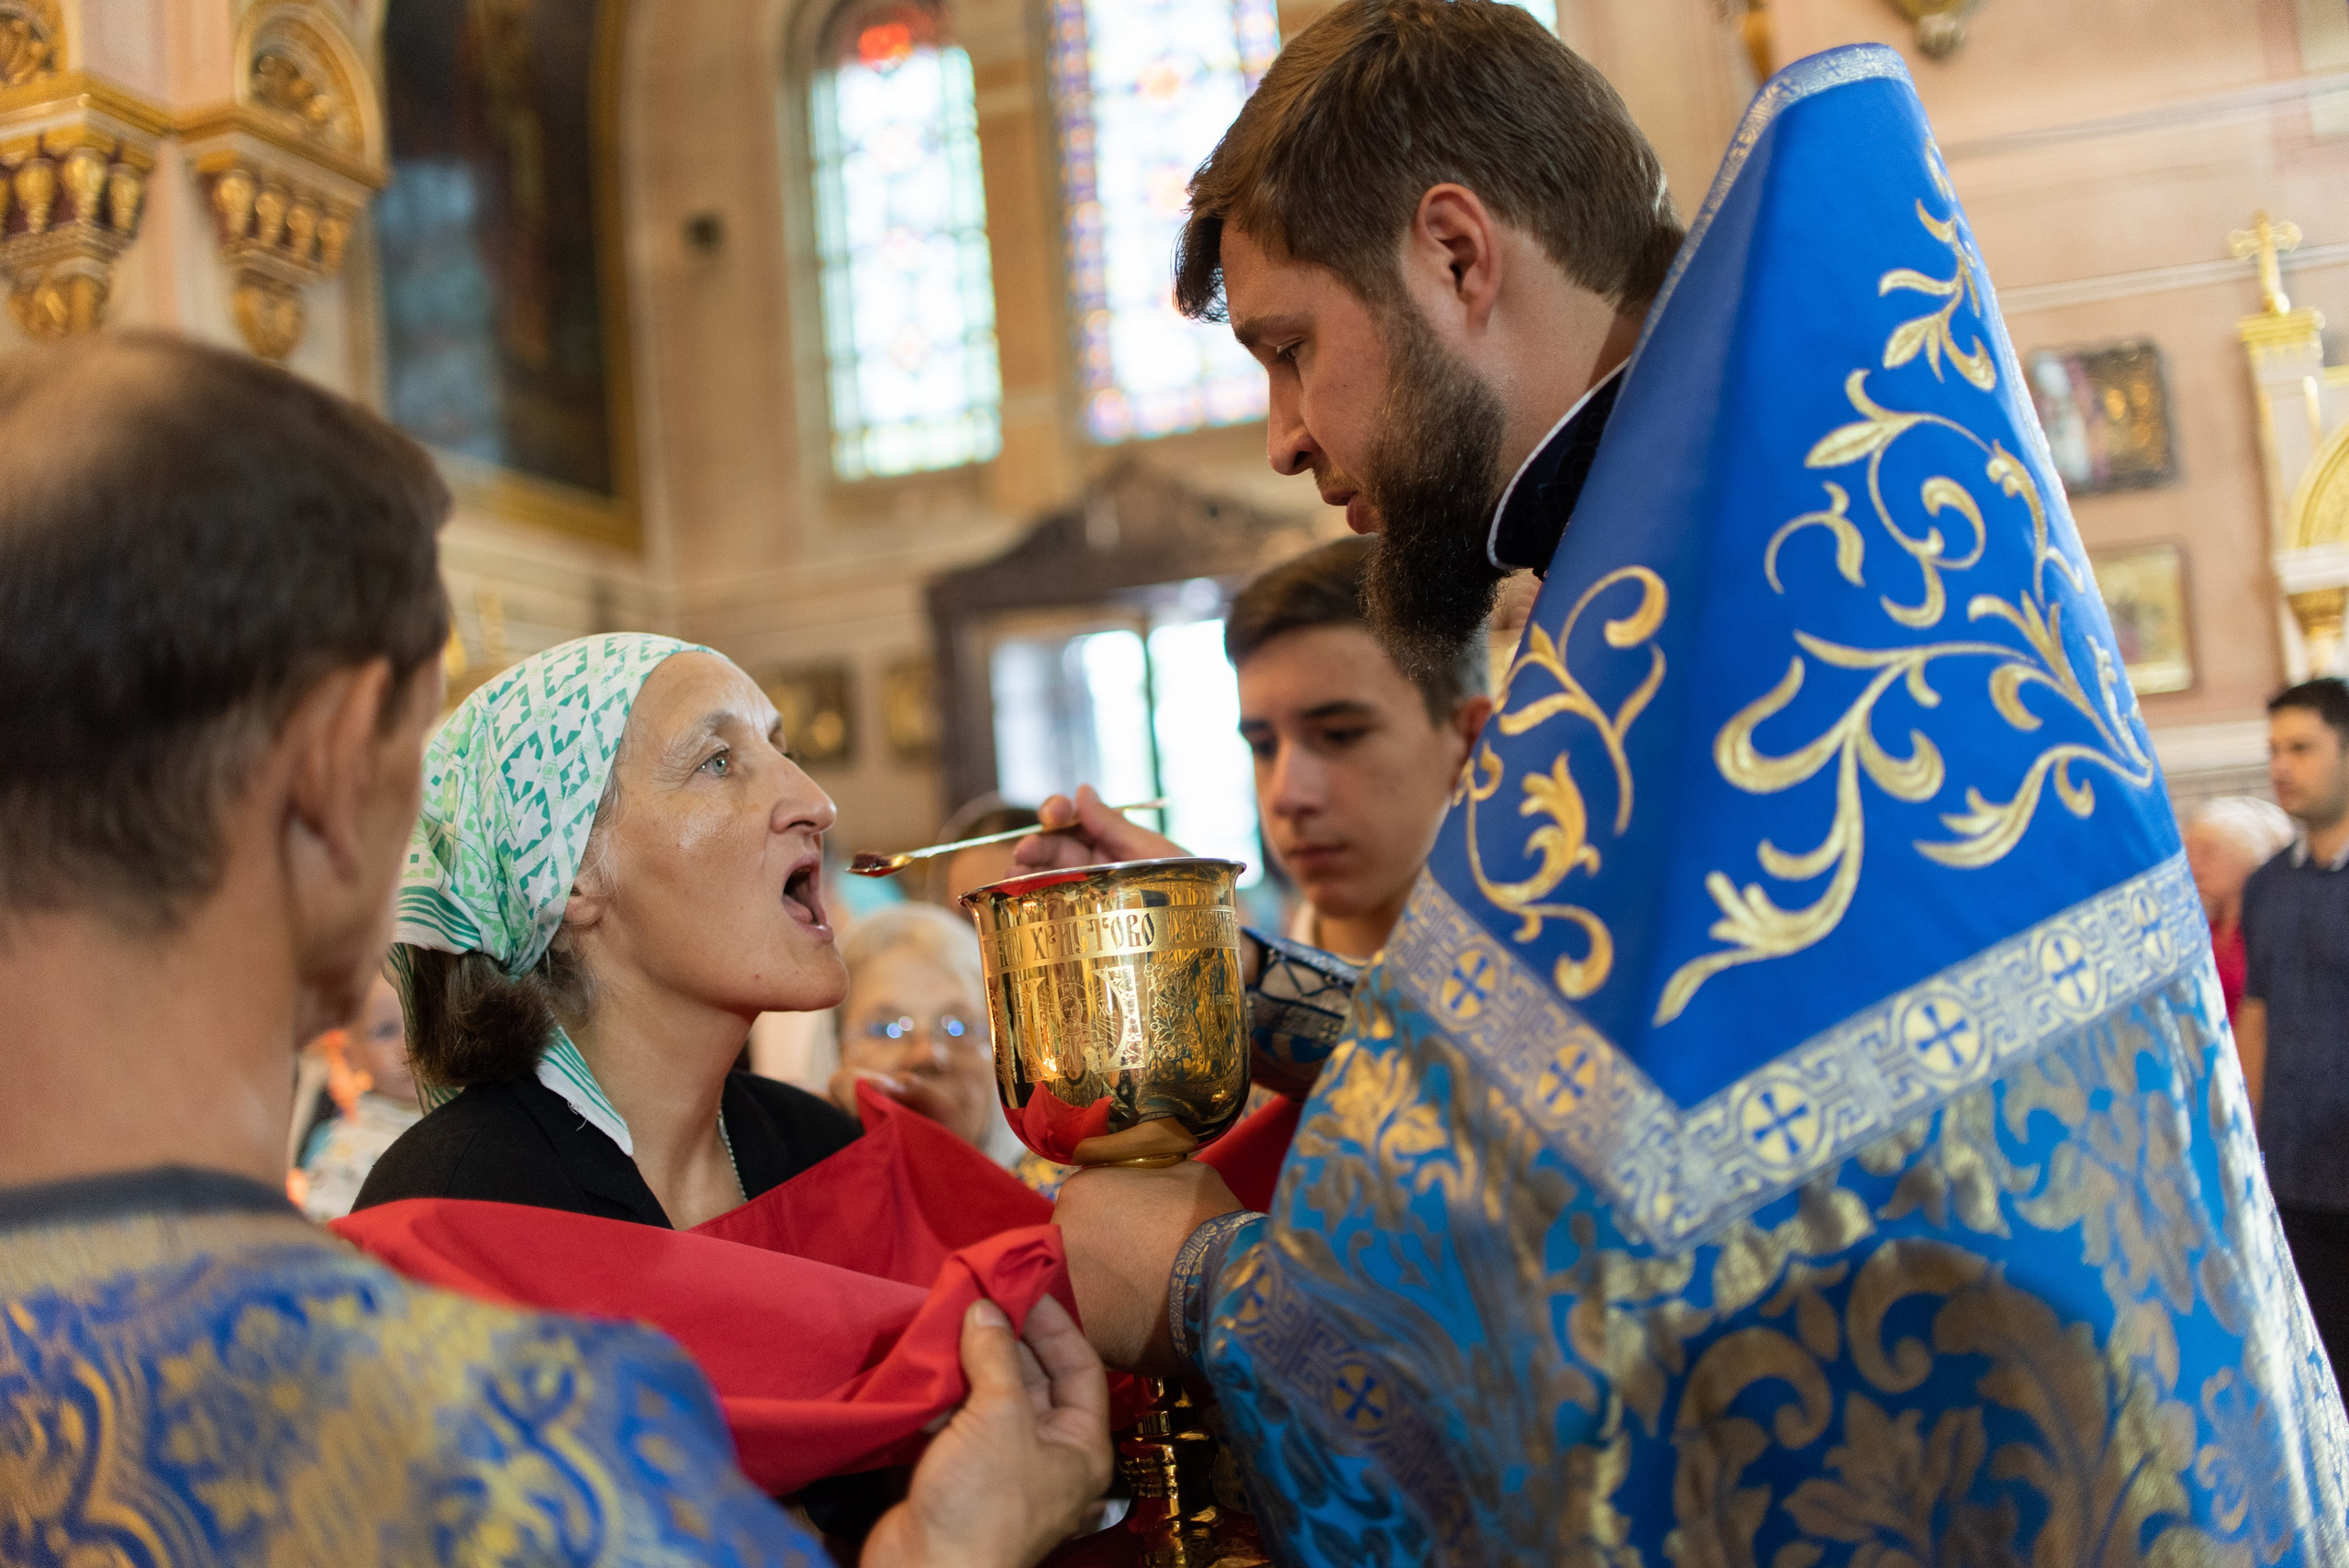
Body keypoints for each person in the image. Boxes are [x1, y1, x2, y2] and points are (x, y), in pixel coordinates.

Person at [1026, 6, 2349, 1562]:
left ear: (1457, 254)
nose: (1285, 437)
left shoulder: (1749, 592)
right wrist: (1253, 989)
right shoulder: (1763, 525)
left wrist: (1209, 1296)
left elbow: (1694, 1310)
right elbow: (1634, 1072)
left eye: (1291, 348)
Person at [0, 331, 1107, 1567]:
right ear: (331, 763)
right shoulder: (518, 1435)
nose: (811, 798)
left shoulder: (811, 1154)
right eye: (403, 741)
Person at [354, 633, 867, 1232]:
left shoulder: (828, 1154)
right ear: (568, 878)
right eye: (717, 761)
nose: (818, 802)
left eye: (785, 751)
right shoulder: (454, 1213)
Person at [1228, 537, 1492, 962]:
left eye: (1339, 734)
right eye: (1263, 747)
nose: (1286, 796)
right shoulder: (1240, 999)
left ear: (1471, 741)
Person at [2241, 676, 2349, 1376]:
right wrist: (2245, 1143)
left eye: (2302, 748)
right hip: (2294, 1182)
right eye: (2276, 748)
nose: (2282, 766)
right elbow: (2257, 1014)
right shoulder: (2267, 883)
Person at [828, 902, 1022, 1164]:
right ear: (835, 1049)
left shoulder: (1061, 1198)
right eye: (887, 1029)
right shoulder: (795, 1196)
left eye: (958, 1026)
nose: (926, 1054)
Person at [295, 973, 425, 1219]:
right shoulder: (348, 1151)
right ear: (350, 1057)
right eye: (386, 1031)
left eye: (419, 1021)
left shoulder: (468, 1117)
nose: (409, 1042)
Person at [2183, 794, 2293, 1023]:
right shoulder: (2201, 931)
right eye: (2190, 852)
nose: (2194, 865)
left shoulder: (2272, 931)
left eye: (2208, 852)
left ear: (2248, 855)